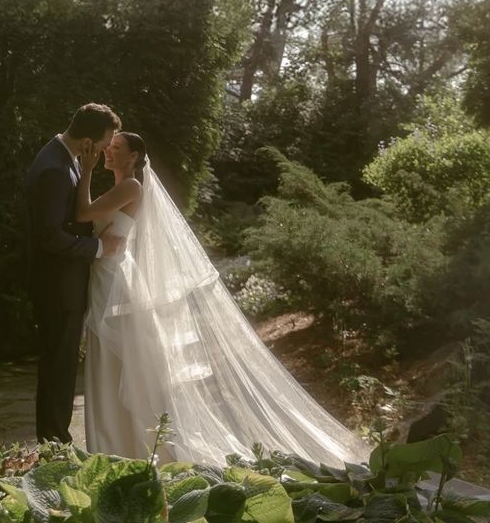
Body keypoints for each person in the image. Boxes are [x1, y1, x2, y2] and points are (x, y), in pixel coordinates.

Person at [76, 131, 369, 467]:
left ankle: (129, 446)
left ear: (133, 156)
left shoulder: (131, 186)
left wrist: (86, 170)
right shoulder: (120, 188)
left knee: (119, 360)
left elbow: (83, 214)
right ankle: (121, 445)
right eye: (109, 146)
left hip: (114, 278)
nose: (108, 152)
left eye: (116, 148)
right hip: (109, 273)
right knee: (114, 360)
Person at [25, 103, 123, 444]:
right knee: (58, 366)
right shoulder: (54, 169)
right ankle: (54, 441)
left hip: (64, 283)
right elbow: (50, 236)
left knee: (62, 364)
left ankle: (54, 439)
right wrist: (99, 248)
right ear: (87, 141)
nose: (105, 150)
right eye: (104, 144)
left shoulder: (68, 160)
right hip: (58, 285)